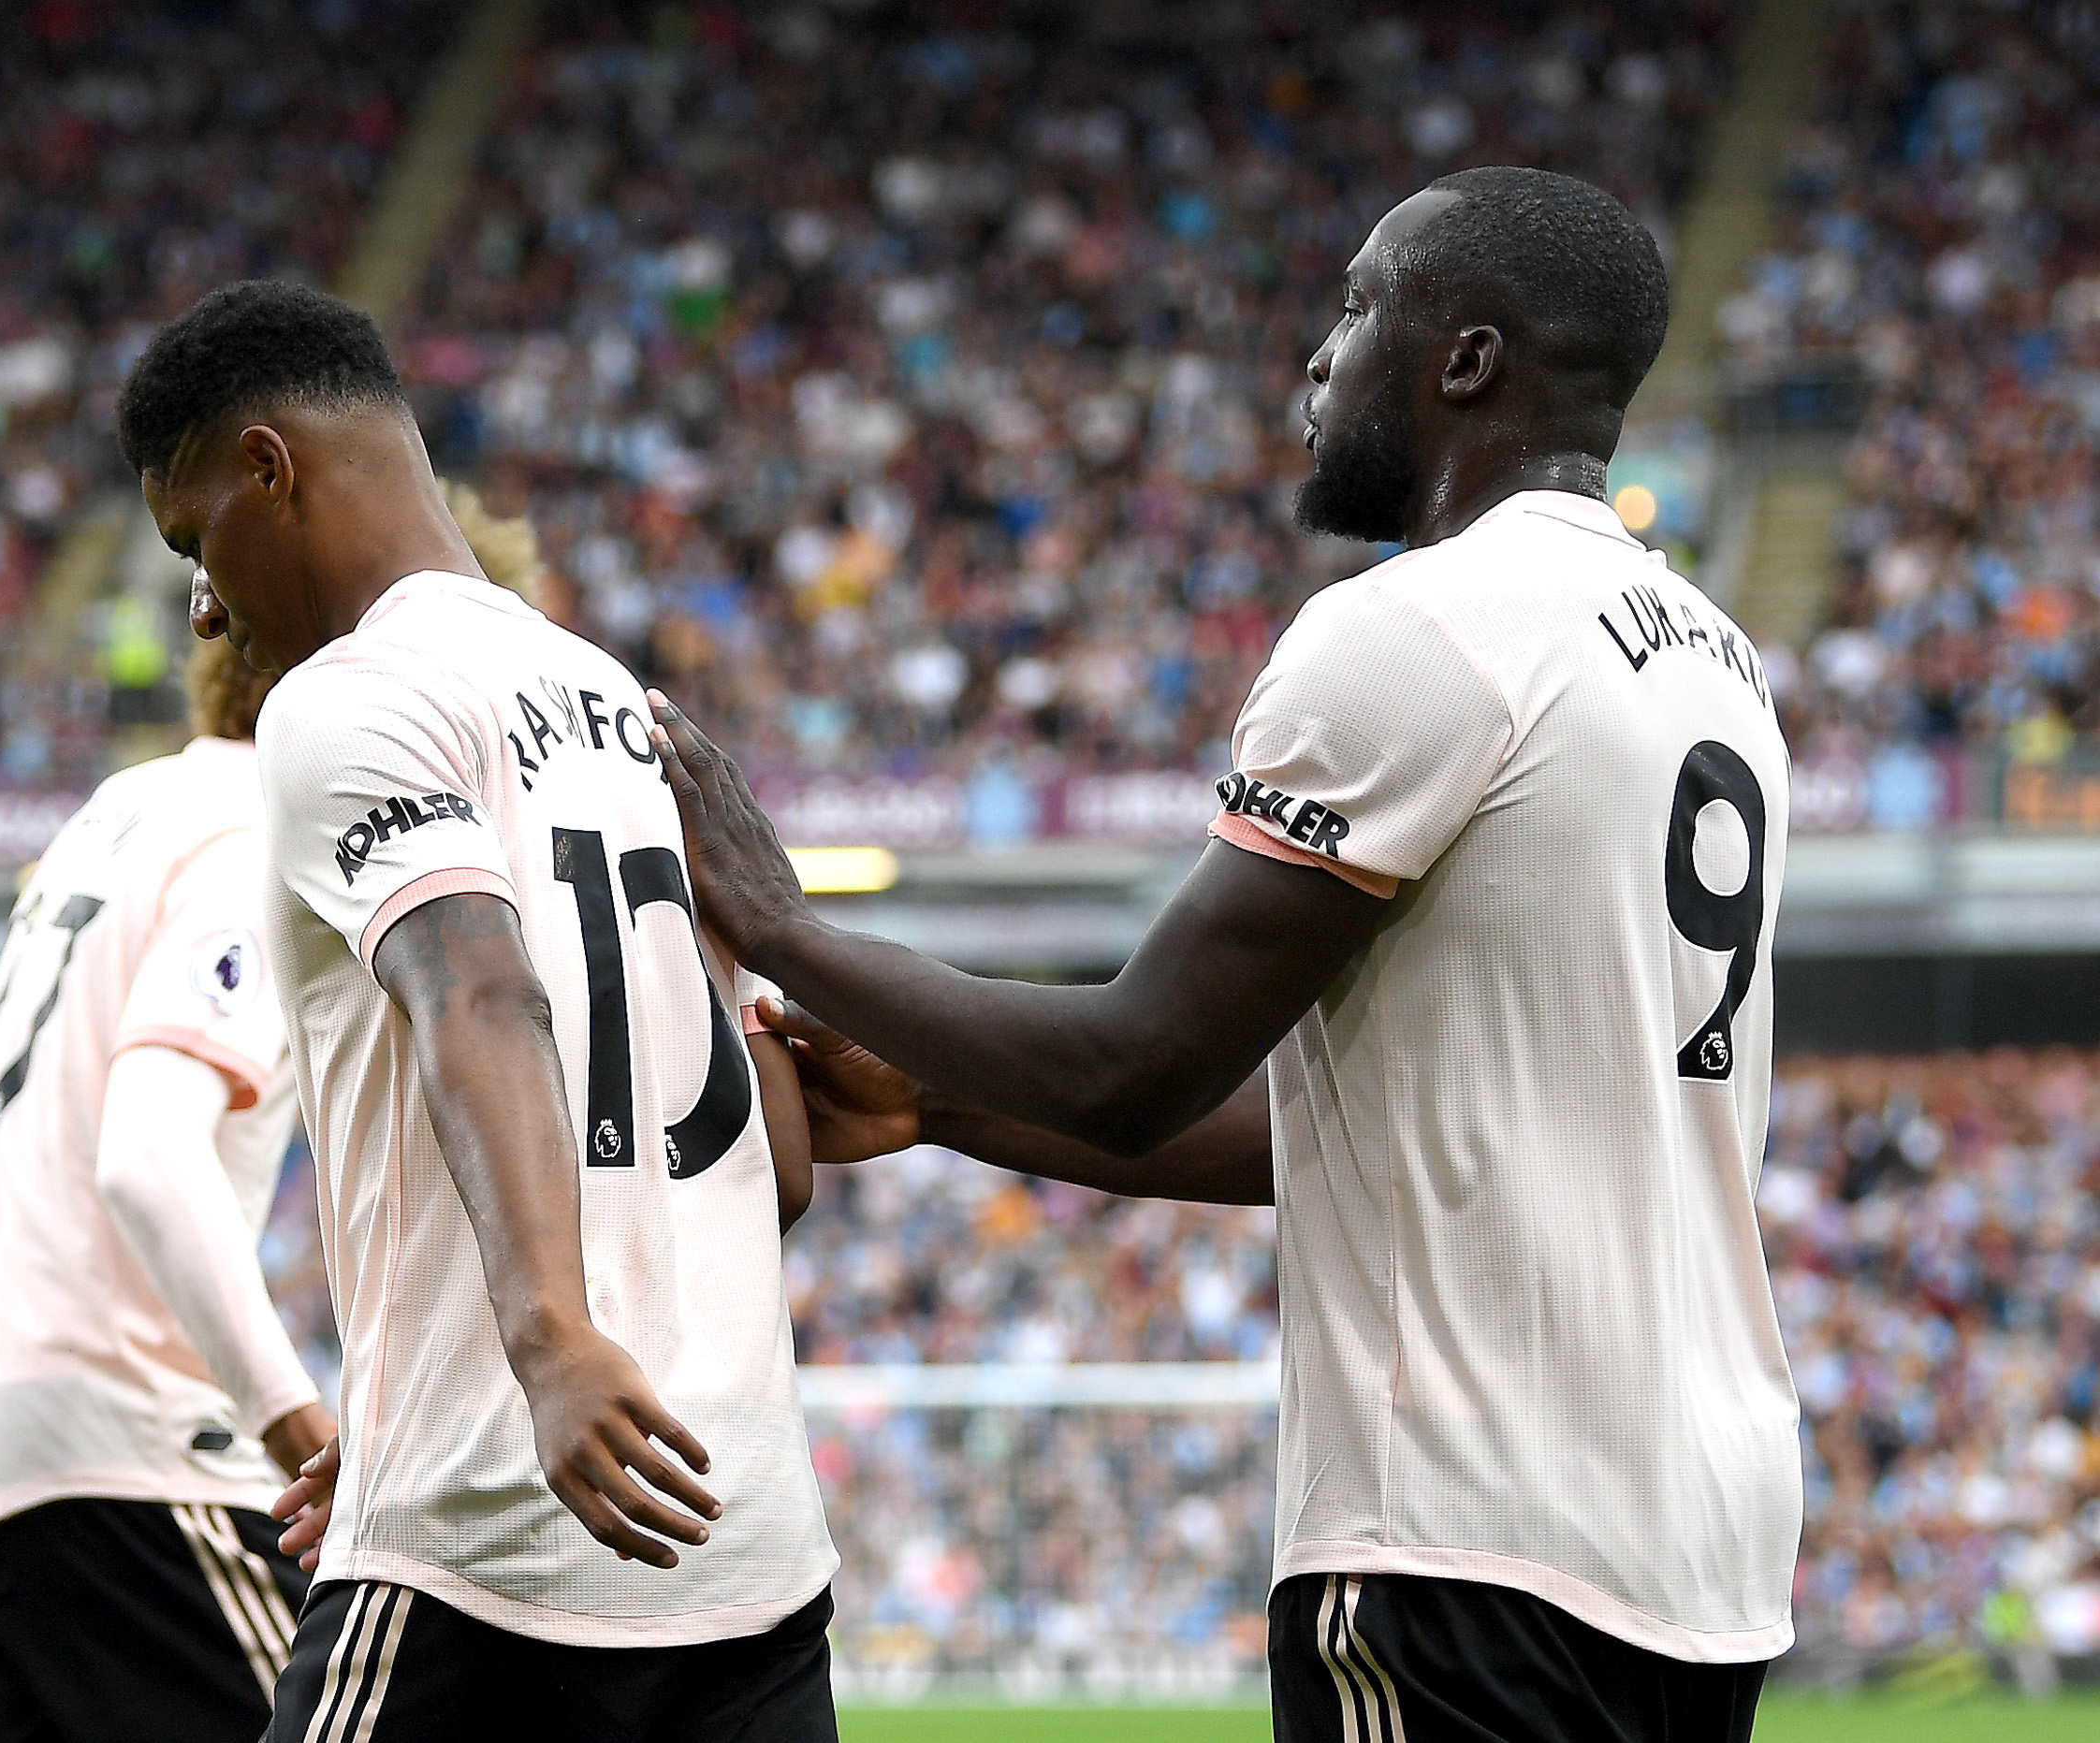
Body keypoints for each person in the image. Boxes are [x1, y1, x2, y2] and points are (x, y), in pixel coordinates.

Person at [651, 167, 1800, 1742]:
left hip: (1468, 1538)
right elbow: (1346, 1133)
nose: (1315, 363)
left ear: (1465, 360)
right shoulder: (1714, 662)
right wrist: (938, 1103)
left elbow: (1136, 1061)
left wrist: (780, 924)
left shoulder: (1421, 629)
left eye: (1354, 306)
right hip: (1698, 1545)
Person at [119, 279, 835, 1742]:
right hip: (743, 1547)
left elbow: (477, 983)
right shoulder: (637, 714)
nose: (201, 600)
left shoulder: (345, 697)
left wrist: (549, 1341)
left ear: (270, 466)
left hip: (489, 1542)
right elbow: (781, 1158)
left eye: (194, 540)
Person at [0, 629, 338, 1743]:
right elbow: (146, 1155)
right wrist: (301, 1434)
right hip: (116, 1452)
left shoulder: (114, 813)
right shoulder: (264, 833)